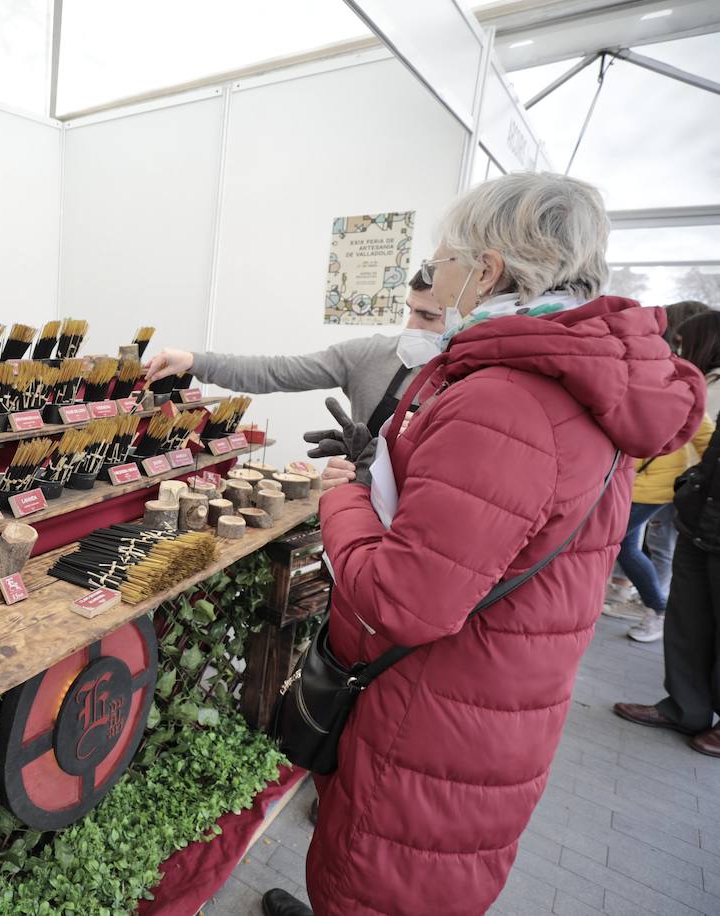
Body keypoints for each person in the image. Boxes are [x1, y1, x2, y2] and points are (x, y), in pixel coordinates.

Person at [260, 173, 704, 916]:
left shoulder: (504, 394)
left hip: (436, 710)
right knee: (393, 866)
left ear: (487, 269)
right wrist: (387, 471)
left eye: (439, 266)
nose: (430, 285)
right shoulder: (583, 379)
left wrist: (342, 490)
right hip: (492, 694)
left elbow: (404, 600)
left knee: (380, 875)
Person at [143, 272, 446, 437]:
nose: (411, 327)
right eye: (409, 310)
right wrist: (195, 361)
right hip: (360, 518)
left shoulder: (480, 383)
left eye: (428, 317)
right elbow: (277, 372)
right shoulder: (370, 356)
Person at [614, 309, 720, 757]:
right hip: (701, 516)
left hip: (705, 514)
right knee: (688, 620)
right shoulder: (699, 380)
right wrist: (691, 490)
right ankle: (684, 708)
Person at [610, 309, 717, 642]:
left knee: (621, 545)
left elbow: (705, 434)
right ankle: (648, 604)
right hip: (641, 481)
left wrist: (699, 480)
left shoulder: (686, 384)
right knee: (622, 544)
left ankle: (657, 607)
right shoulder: (671, 379)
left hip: (653, 486)